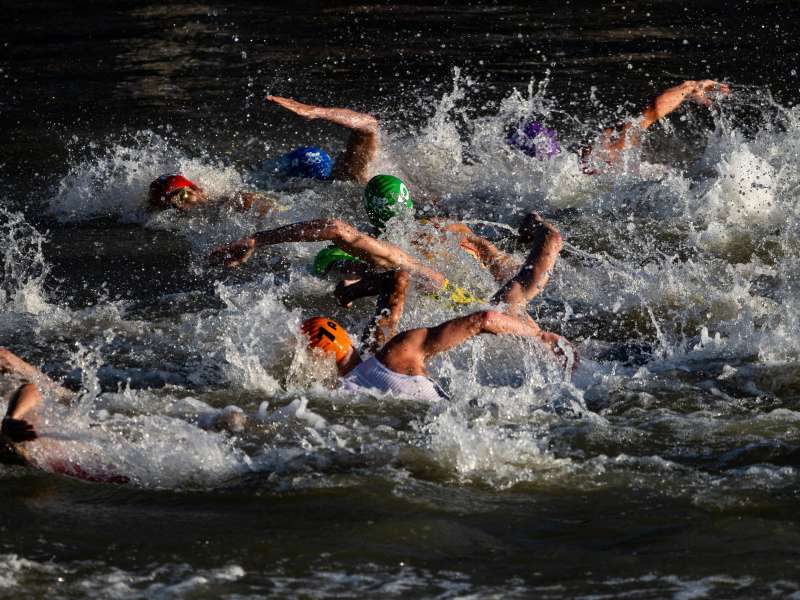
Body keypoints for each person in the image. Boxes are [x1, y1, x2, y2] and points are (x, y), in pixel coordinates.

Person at [0, 348, 244, 483]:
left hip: (75, 441)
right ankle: (213, 425)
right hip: (67, 453)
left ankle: (213, 423)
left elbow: (31, 390)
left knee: (156, 452)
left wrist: (12, 418)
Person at [300, 307, 572, 403]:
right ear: (348, 341)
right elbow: (484, 319)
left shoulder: (331, 397)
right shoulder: (398, 352)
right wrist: (540, 337)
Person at [507, 79, 731, 171]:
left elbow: (651, 112)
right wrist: (689, 87)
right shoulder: (596, 154)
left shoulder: (571, 165)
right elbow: (653, 110)